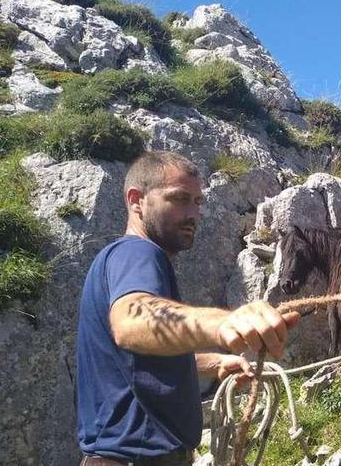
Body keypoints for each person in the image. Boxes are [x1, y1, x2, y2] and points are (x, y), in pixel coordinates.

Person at [76, 151, 300, 466]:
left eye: (197, 202)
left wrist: (214, 363)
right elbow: (131, 319)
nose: (193, 213)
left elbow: (138, 358)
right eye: (179, 199)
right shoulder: (137, 254)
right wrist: (224, 324)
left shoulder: (121, 260)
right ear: (136, 200)